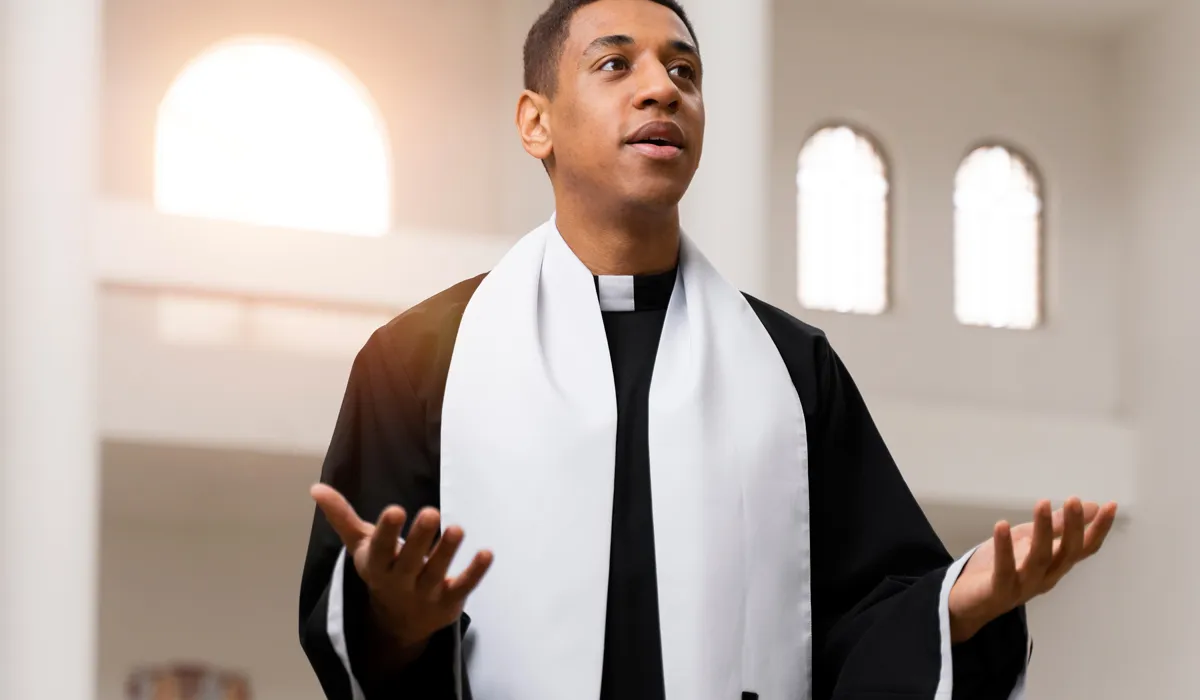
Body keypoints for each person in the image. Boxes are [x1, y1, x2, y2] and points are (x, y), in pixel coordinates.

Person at [298, 0, 1117, 698]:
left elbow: (854, 623)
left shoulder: (793, 368)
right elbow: (364, 632)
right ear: (535, 121)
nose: (663, 89)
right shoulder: (419, 358)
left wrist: (952, 608)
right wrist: (390, 621)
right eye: (615, 66)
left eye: (685, 73)